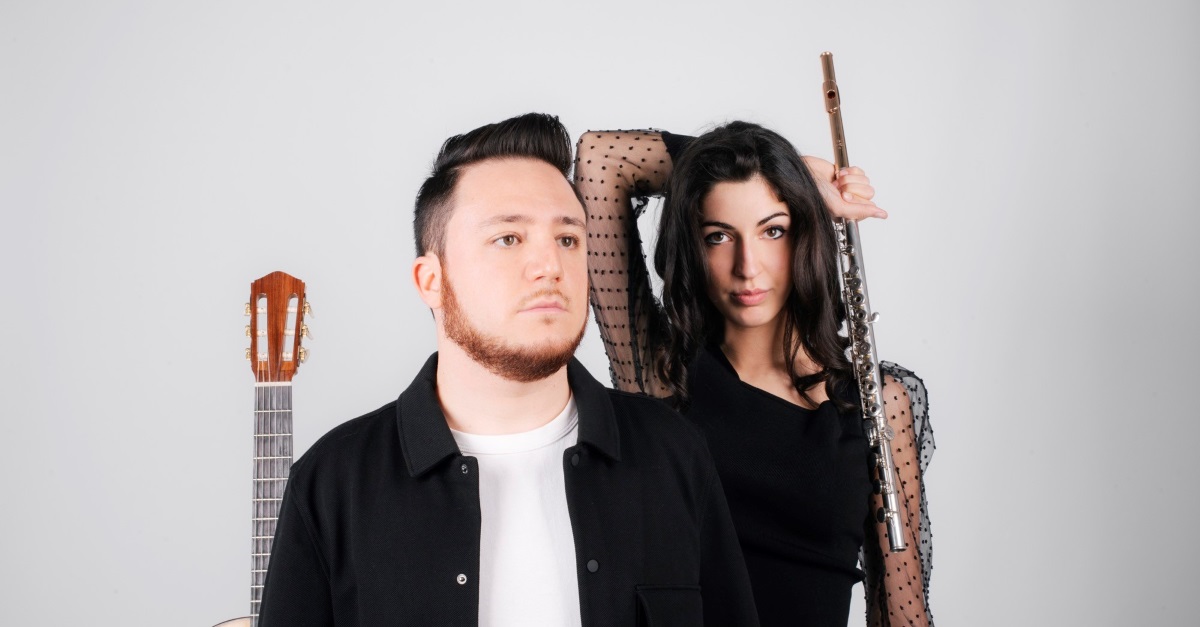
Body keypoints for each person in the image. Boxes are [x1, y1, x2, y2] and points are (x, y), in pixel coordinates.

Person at [257, 113, 759, 627]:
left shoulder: (673, 454)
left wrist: (781, 173)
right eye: (509, 239)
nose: (550, 266)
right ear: (431, 281)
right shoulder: (332, 484)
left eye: (568, 240)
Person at [575, 124, 935, 627]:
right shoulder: (664, 375)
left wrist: (786, 178)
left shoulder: (875, 402)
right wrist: (789, 170)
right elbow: (601, 159)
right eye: (719, 236)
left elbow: (901, 609)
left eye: (773, 230)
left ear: (806, 232)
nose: (748, 266)